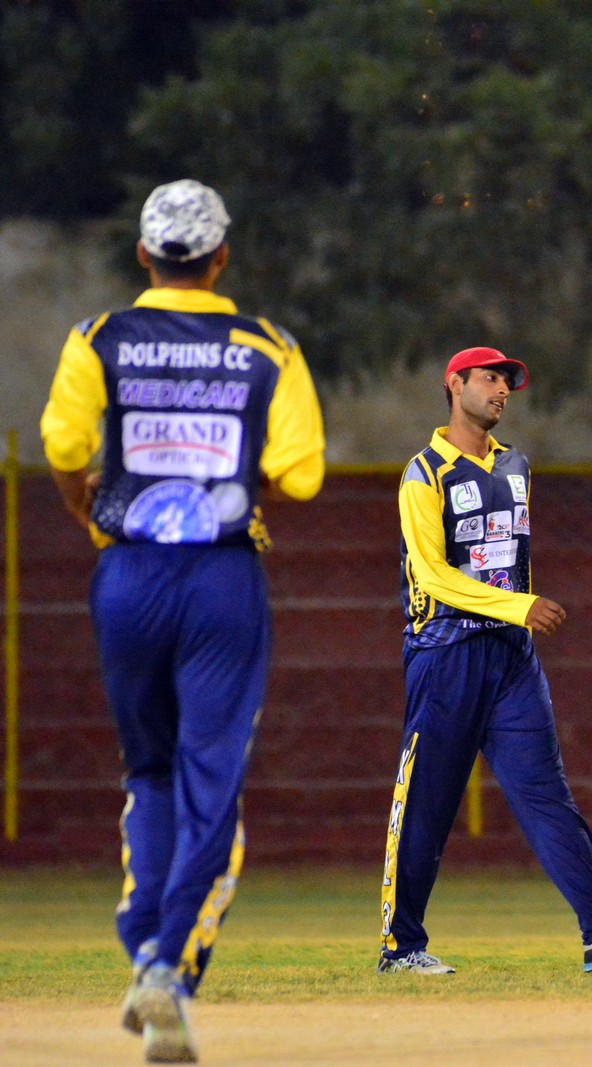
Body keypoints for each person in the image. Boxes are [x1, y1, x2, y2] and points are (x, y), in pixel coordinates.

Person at [40, 179, 326, 1063]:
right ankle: (167, 962)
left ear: (143, 255)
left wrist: (86, 508)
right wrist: (231, 482)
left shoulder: (98, 337)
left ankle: (143, 945)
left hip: (127, 574)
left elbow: (63, 446)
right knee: (212, 776)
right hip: (219, 578)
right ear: (221, 258)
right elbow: (303, 473)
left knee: (150, 769)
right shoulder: (268, 347)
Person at [378, 346, 592, 978]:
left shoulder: (516, 465)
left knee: (547, 796)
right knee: (427, 804)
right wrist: (519, 607)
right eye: (489, 379)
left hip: (511, 659)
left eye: (507, 382)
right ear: (454, 384)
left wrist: (516, 618)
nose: (502, 390)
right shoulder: (423, 474)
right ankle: (401, 949)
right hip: (445, 655)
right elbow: (432, 574)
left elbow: (512, 559)